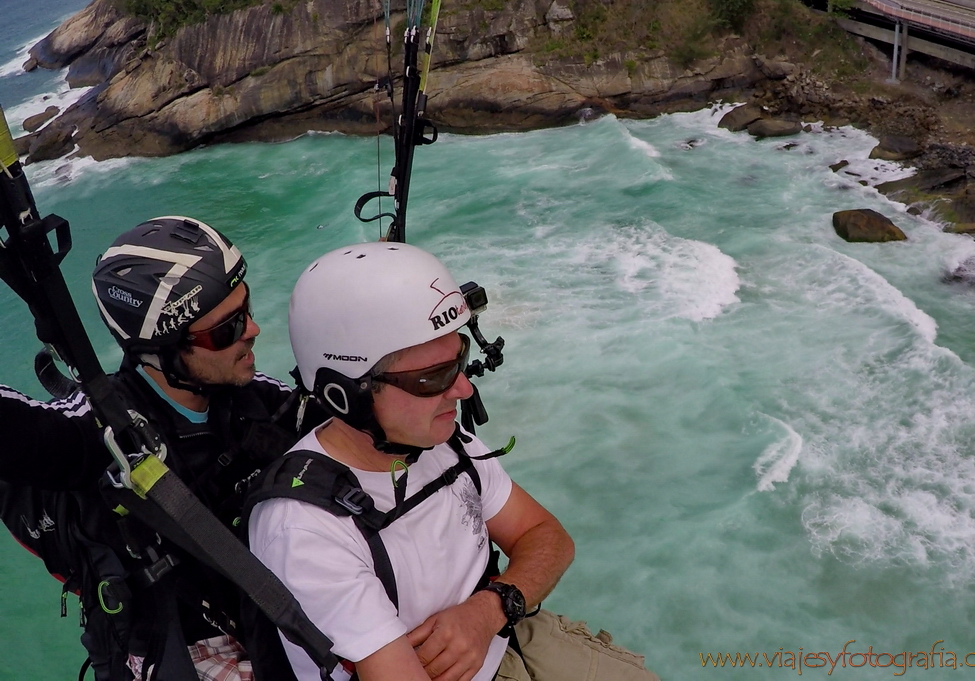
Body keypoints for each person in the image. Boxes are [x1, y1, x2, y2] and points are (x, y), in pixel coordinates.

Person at [247, 242, 659, 681]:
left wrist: (489, 609)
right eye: (434, 377)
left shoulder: (439, 440)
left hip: (503, 635)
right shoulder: (305, 529)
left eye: (459, 359)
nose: (462, 389)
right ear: (345, 394)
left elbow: (549, 538)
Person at [0, 216, 320, 681]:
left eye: (246, 308)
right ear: (163, 349)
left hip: (264, 623)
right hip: (175, 651)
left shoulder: (256, 403)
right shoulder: (100, 436)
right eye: (225, 330)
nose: (254, 330)